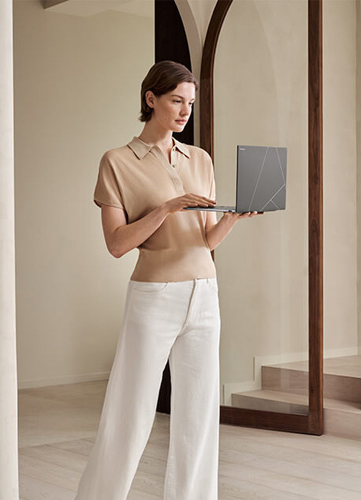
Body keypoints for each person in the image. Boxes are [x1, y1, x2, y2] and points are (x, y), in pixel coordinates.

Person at [74, 60, 260, 500]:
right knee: (130, 410)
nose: (184, 112)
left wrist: (232, 218)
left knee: (198, 413)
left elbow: (205, 239)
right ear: (150, 98)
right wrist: (165, 208)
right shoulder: (117, 162)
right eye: (176, 100)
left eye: (190, 104)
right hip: (154, 296)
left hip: (205, 293)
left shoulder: (199, 159)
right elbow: (117, 244)